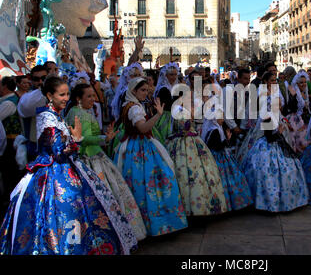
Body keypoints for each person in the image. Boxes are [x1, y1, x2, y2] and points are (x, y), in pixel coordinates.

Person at [0, 77, 137, 255]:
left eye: (67, 94)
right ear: (49, 95)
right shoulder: (46, 116)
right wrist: (76, 140)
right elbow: (58, 150)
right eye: (61, 95)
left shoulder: (55, 114)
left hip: (66, 166)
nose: (66, 98)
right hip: (53, 172)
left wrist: (73, 140)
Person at [66, 84, 147, 241]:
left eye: (93, 95)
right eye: (89, 96)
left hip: (88, 157)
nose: (93, 99)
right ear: (78, 99)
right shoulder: (79, 114)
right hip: (90, 159)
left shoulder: (76, 112)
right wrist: (104, 139)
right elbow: (82, 139)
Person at [114, 77, 188, 235]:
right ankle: (155, 223)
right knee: (150, 182)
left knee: (139, 183)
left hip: (132, 146)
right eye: (142, 90)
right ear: (133, 91)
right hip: (140, 148)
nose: (145, 93)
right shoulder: (134, 108)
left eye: (147, 90)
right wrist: (158, 115)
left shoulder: (129, 105)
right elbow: (142, 128)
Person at [166, 98, 228, 216]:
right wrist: (191, 116)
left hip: (189, 143)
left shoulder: (183, 110)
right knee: (189, 173)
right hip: (185, 144)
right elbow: (185, 127)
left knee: (198, 173)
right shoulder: (179, 110)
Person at [239, 113, 309, 212]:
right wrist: (279, 132)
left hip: (274, 146)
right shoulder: (267, 117)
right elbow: (269, 137)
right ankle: (268, 202)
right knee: (266, 172)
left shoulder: (275, 115)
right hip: (268, 148)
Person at [201, 107, 253, 211]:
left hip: (220, 156)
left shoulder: (217, 128)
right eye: (220, 117)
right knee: (226, 178)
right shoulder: (214, 130)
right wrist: (227, 140)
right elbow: (217, 146)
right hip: (218, 158)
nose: (223, 119)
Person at [0, 77, 23, 215]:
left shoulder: (9, 103)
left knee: (10, 172)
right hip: (8, 141)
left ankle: (10, 201)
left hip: (11, 142)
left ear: (4, 87)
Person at [17, 65, 48, 161]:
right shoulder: (27, 98)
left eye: (43, 78)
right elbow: (30, 105)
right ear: (31, 80)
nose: (40, 82)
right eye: (36, 79)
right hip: (35, 148)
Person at [152, 62, 179, 144]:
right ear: (165, 76)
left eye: (175, 74)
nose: (174, 77)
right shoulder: (164, 89)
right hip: (165, 118)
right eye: (171, 75)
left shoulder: (171, 87)